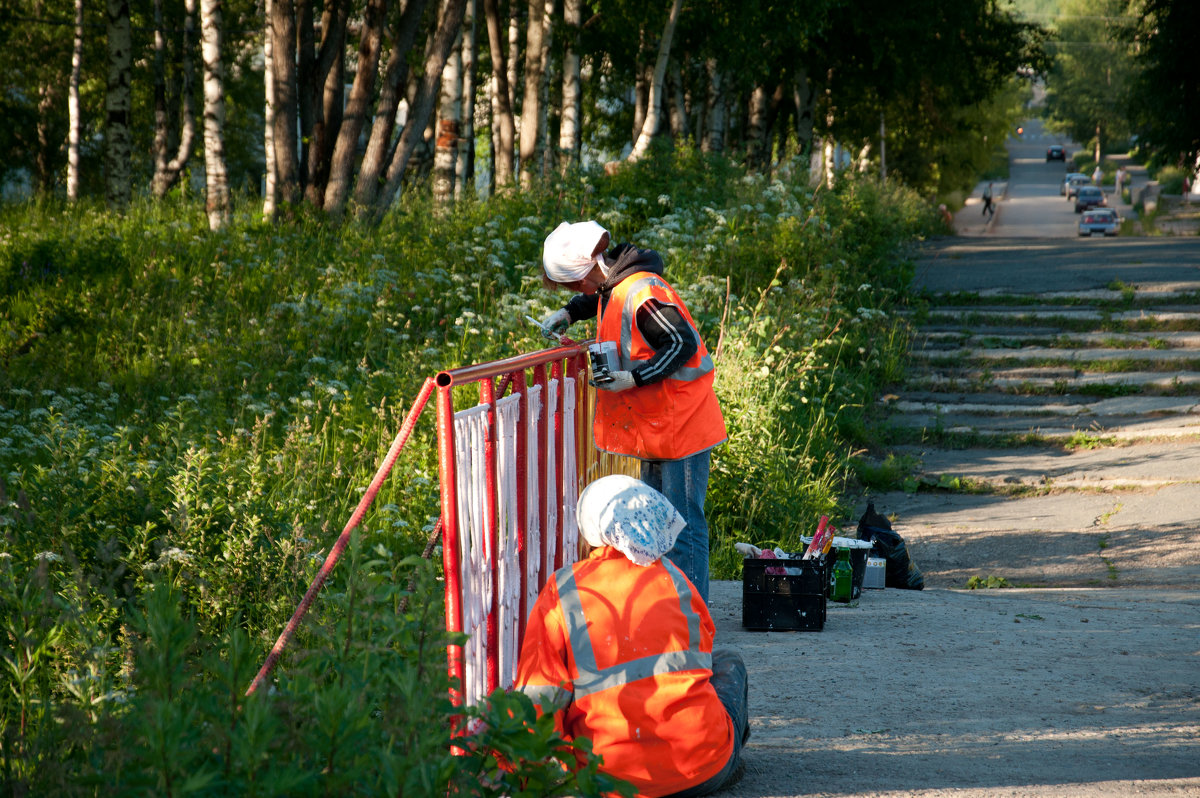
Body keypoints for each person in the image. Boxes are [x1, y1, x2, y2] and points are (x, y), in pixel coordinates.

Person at [514, 475, 749, 798]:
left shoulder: (563, 591)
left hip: (607, 781)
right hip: (702, 770)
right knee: (730, 663)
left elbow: (538, 700)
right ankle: (722, 756)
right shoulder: (677, 580)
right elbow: (702, 663)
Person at [539, 221, 727, 604]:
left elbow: (681, 344)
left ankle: (692, 620)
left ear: (588, 270)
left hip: (682, 422)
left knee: (682, 526)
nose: (578, 292)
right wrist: (569, 312)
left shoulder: (641, 290)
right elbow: (602, 297)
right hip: (658, 424)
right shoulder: (615, 284)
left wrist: (633, 378)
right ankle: (666, 611)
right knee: (657, 522)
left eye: (574, 286)